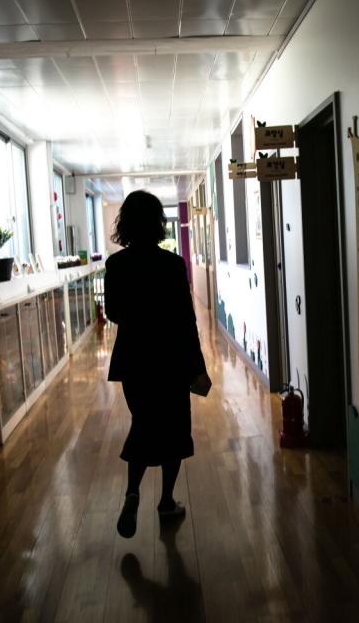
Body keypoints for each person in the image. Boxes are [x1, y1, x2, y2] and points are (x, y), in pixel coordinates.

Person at [104, 190, 211, 539]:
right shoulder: (172, 265)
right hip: (171, 359)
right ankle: (166, 501)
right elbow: (185, 320)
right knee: (174, 430)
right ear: (158, 224)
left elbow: (113, 314)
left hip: (134, 361)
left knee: (144, 422)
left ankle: (132, 493)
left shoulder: (116, 266)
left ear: (125, 224)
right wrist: (197, 365)